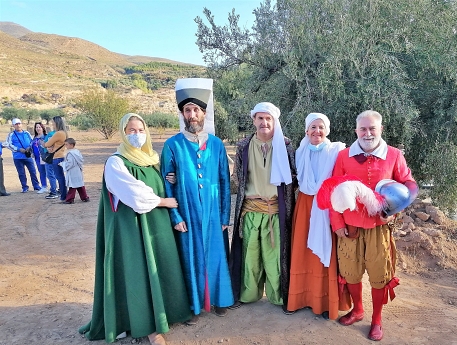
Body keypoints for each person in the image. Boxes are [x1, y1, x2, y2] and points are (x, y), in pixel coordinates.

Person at [79, 113, 191, 345]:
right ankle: (146, 326)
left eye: (140, 130)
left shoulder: (152, 159)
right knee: (137, 272)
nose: (137, 134)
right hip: (131, 229)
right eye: (131, 130)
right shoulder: (116, 162)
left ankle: (164, 316)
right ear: (123, 132)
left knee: (160, 267)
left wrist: (169, 178)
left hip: (156, 226)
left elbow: (160, 182)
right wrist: (164, 202)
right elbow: (134, 194)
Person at [325, 110, 418, 341]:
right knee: (351, 273)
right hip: (350, 227)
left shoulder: (395, 155)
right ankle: (358, 310)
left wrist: (395, 211)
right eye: (363, 129)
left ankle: (376, 319)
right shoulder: (344, 156)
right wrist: (337, 223)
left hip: (379, 228)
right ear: (356, 131)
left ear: (381, 130)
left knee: (379, 275)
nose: (368, 133)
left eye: (372, 128)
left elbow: (410, 185)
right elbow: (332, 190)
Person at [161, 78, 233, 323]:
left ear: (204, 113)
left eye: (196, 110)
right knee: (189, 255)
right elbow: (166, 182)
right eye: (187, 110)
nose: (192, 115)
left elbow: (224, 180)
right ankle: (192, 304)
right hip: (187, 209)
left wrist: (225, 215)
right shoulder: (172, 145)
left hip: (213, 211)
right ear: (182, 114)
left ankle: (219, 299)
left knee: (216, 254)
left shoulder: (216, 144)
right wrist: (175, 216)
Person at [229, 102, 296, 314]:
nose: (264, 122)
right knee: (250, 257)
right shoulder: (243, 146)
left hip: (275, 212)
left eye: (268, 119)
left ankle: (279, 297)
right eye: (260, 118)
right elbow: (237, 178)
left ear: (275, 121)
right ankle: (248, 295)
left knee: (275, 257)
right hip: (250, 211)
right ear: (254, 120)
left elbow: (294, 177)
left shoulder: (286, 146)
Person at [287, 113, 350, 320]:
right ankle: (299, 299)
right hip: (305, 205)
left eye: (321, 127)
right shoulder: (299, 152)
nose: (317, 131)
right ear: (306, 130)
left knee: (325, 253)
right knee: (302, 251)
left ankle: (324, 302)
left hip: (325, 205)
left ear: (327, 130)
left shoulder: (336, 151)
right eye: (313, 127)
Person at [5, 118, 41, 193]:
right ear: (13, 126)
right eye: (16, 124)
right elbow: (8, 144)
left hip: (28, 156)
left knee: (33, 171)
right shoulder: (11, 135)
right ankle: (25, 187)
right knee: (21, 173)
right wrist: (19, 149)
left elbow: (32, 141)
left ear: (21, 124)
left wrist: (29, 147)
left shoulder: (27, 133)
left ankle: (36, 186)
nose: (18, 125)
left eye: (19, 124)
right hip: (17, 157)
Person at [40, 116, 67, 201]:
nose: (52, 124)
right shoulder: (64, 133)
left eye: (53, 122)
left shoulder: (58, 133)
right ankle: (64, 195)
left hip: (56, 157)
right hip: (61, 156)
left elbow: (47, 144)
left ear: (56, 123)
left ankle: (63, 196)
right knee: (61, 177)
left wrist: (42, 142)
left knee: (59, 177)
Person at [60, 138, 89, 204]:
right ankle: (85, 197)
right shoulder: (77, 152)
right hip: (77, 170)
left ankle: (70, 199)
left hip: (73, 171)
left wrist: (63, 164)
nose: (65, 146)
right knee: (79, 184)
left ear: (71, 145)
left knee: (72, 185)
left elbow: (70, 163)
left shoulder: (71, 153)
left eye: (66, 144)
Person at [30, 122, 48, 194]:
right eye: (36, 127)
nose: (38, 128)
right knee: (41, 172)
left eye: (39, 127)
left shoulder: (46, 137)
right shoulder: (34, 138)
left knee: (50, 172)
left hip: (45, 157)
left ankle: (55, 186)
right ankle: (44, 186)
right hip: (37, 158)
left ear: (42, 128)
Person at [42, 125, 59, 199]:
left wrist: (43, 144)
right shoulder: (62, 133)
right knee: (58, 174)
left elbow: (47, 144)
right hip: (58, 156)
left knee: (50, 174)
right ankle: (61, 189)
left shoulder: (51, 134)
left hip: (50, 156)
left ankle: (53, 191)